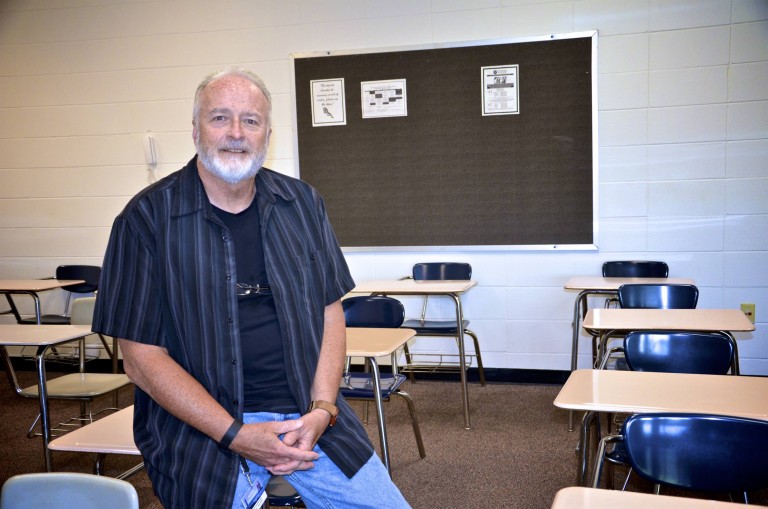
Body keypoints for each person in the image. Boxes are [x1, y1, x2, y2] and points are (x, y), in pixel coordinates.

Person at [92, 67, 410, 509]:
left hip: (310, 416)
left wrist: (323, 409)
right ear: (196, 129)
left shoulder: (303, 204)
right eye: (220, 118)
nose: (236, 133)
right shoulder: (145, 220)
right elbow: (141, 360)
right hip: (204, 429)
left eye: (251, 120)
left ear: (267, 135)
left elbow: (329, 311)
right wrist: (236, 435)